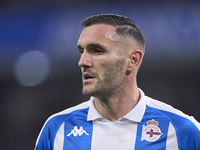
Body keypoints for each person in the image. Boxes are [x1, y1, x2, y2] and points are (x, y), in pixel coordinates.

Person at [34, 14, 200, 150]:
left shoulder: (182, 130)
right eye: (81, 51)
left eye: (97, 51)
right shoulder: (57, 129)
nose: (82, 61)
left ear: (133, 60)